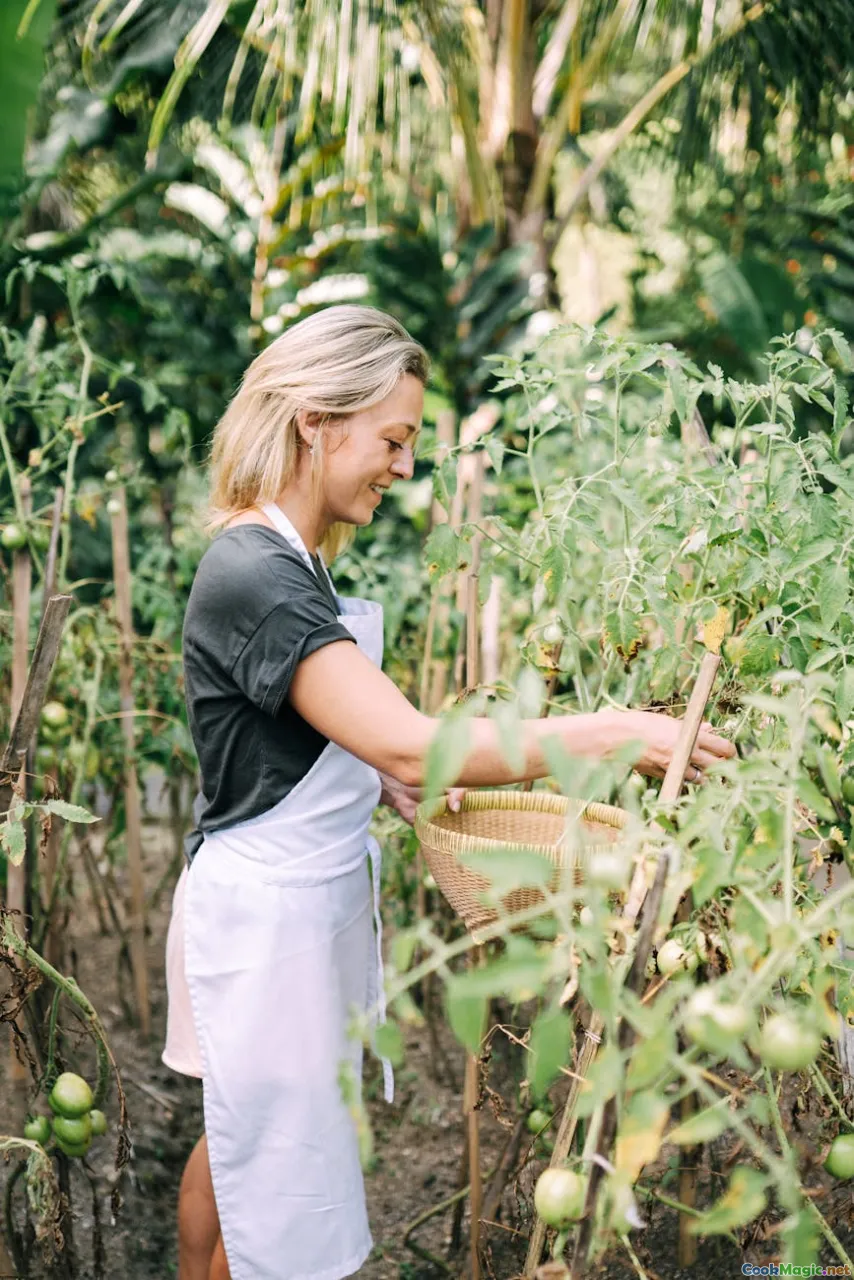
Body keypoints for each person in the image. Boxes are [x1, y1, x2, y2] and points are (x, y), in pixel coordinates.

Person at [161, 304, 735, 1280]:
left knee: (245, 1146)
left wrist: (362, 767)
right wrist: (617, 730)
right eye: (390, 438)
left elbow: (323, 728)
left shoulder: (295, 562)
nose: (401, 465)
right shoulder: (252, 568)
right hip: (266, 924)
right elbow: (408, 737)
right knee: (269, 1175)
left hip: (305, 904)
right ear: (315, 420)